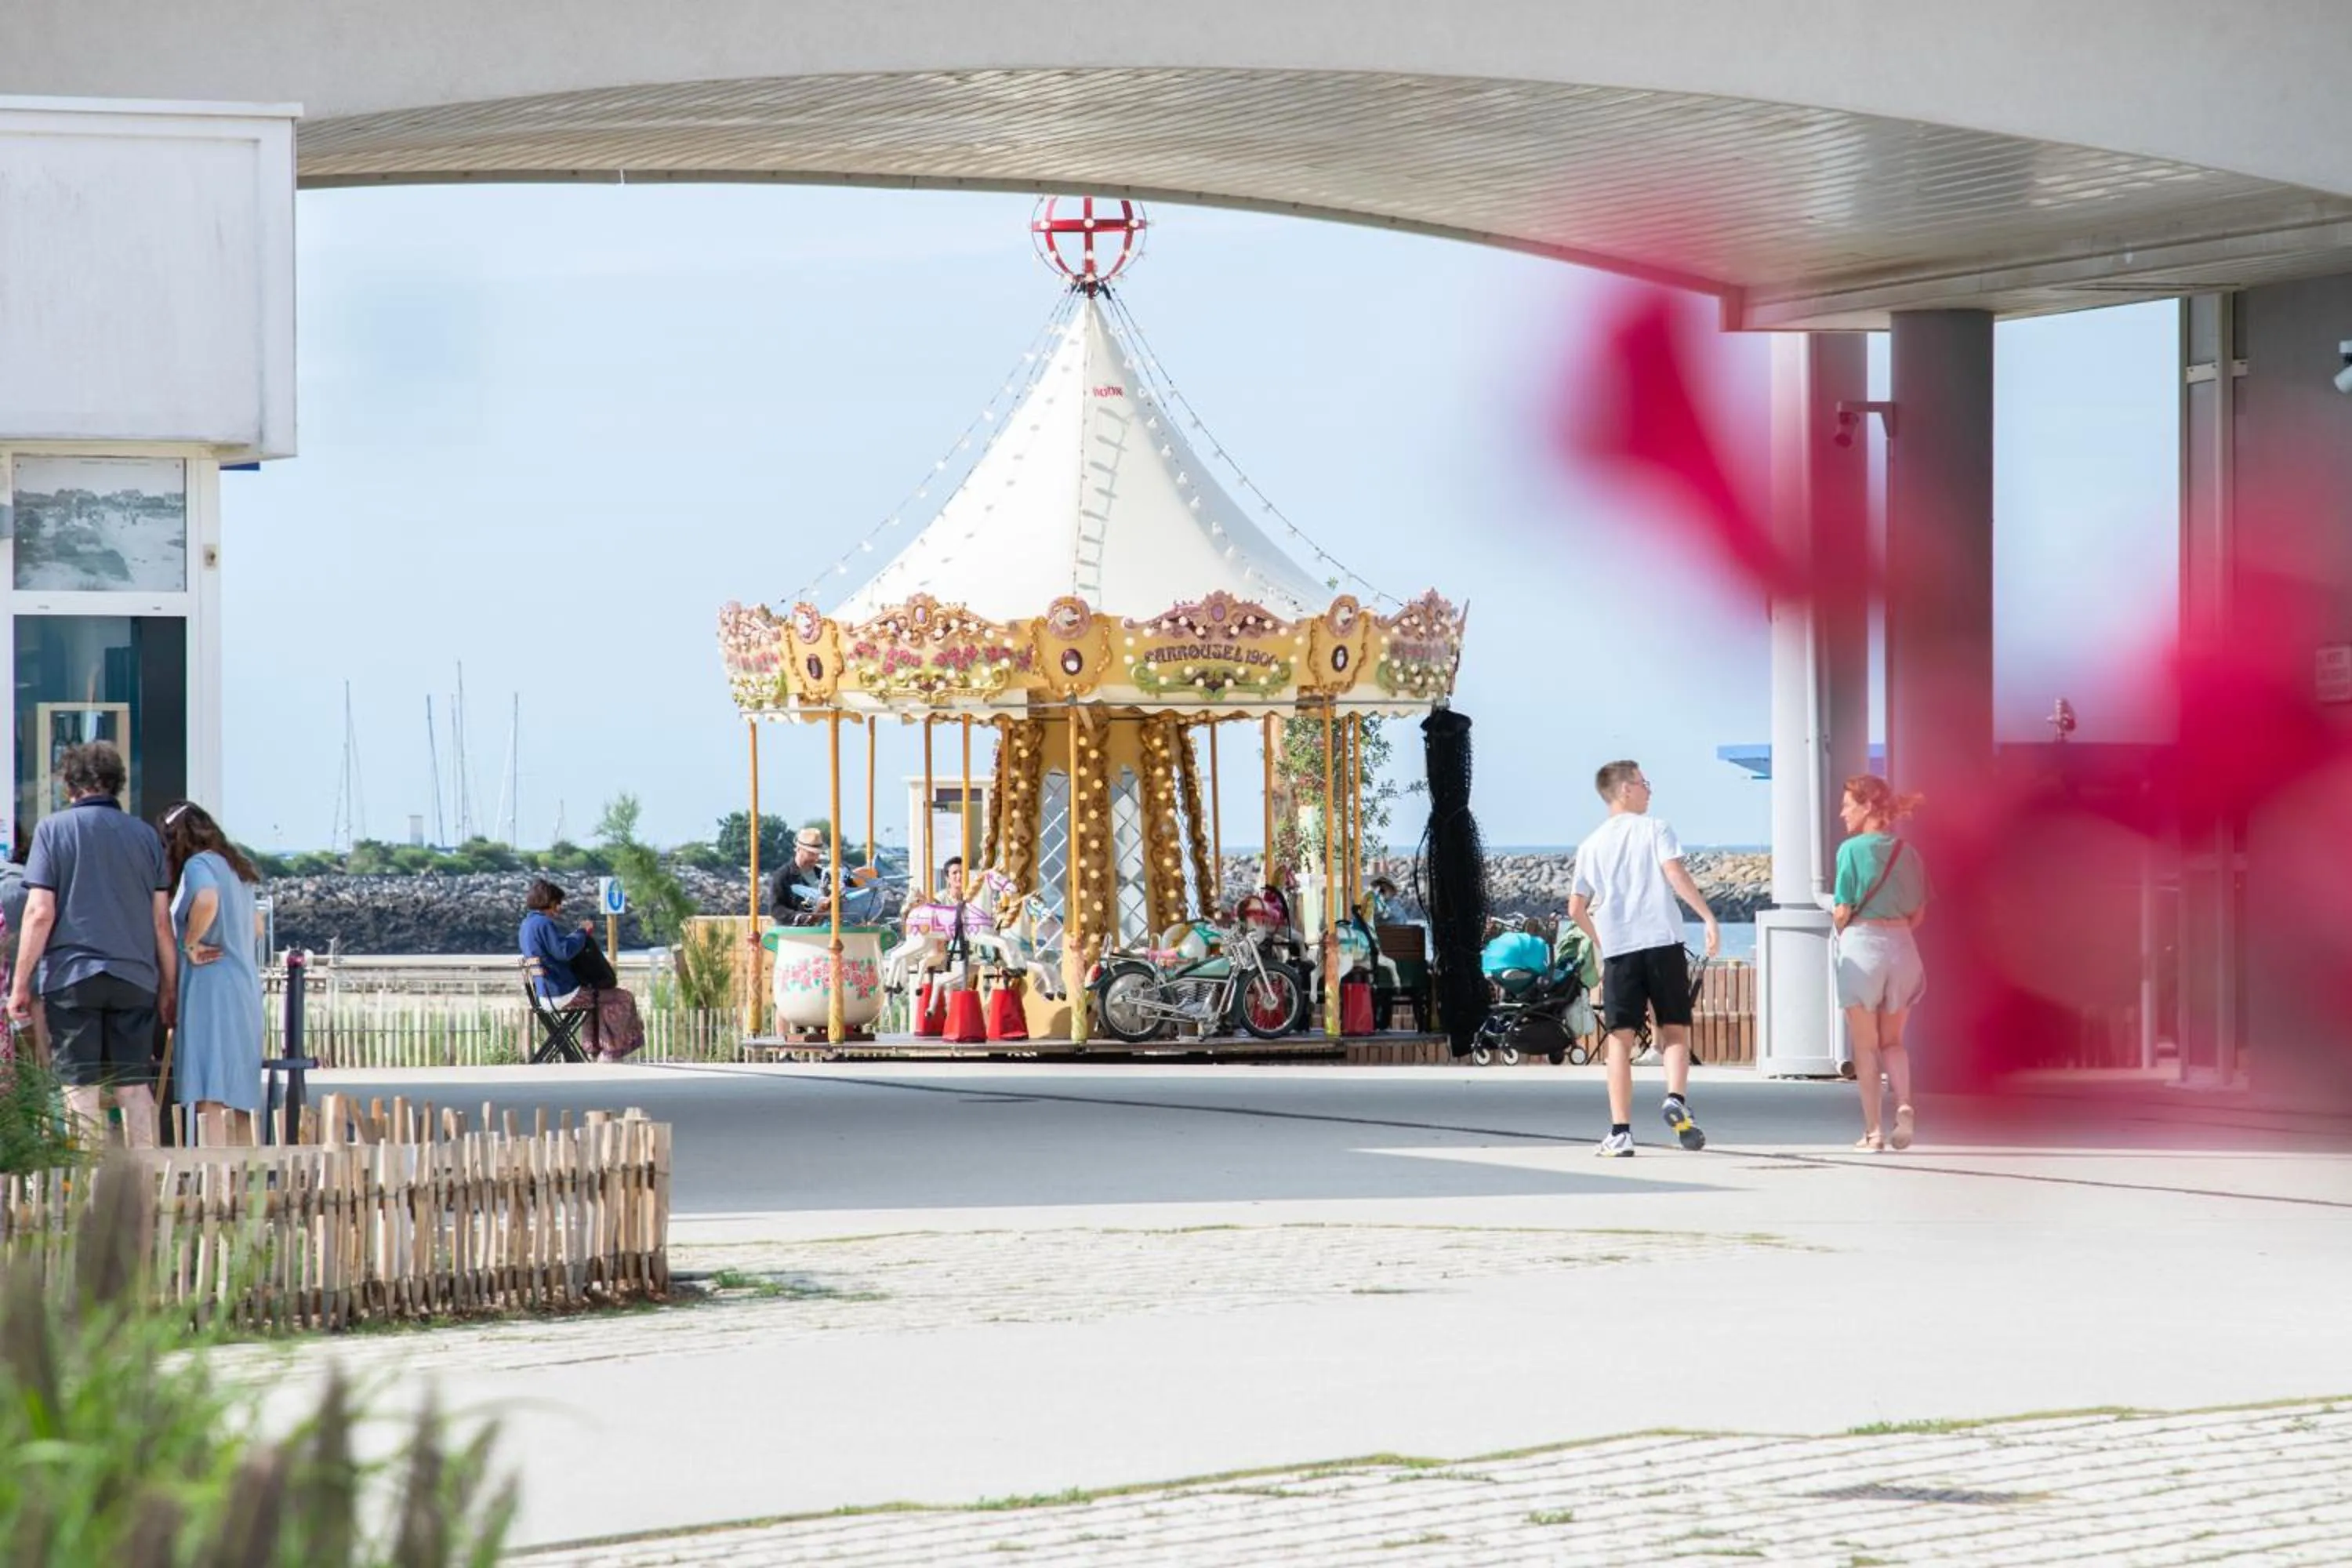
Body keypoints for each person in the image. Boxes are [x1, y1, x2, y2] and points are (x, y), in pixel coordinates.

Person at [5, 742, 175, 1147]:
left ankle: (89, 1176)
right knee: (133, 1086)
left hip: (73, 976)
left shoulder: (53, 830)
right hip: (135, 976)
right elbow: (161, 922)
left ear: (69, 786)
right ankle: (145, 1174)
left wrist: (20, 984)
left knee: (79, 1087)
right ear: (117, 785)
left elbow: (39, 913)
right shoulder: (146, 837)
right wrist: (169, 986)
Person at [1567, 760, 1719, 1157]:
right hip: (1663, 942)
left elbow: (1575, 908)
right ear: (1625, 789)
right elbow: (1675, 874)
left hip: (1619, 950)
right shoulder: (1656, 828)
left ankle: (1620, 1133)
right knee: (1675, 1029)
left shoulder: (1590, 845)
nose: (1649, 790)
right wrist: (1707, 917)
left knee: (1620, 1040)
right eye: (1643, 783)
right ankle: (1675, 1099)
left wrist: (1602, 939)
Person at [1832, 775, 1931, 1152]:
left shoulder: (1850, 850)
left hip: (1864, 946)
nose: (1842, 813)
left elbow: (1843, 910)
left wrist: (1839, 923)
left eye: (1847, 805)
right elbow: (1918, 914)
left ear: (1868, 806)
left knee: (1865, 1046)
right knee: (1893, 1042)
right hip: (1903, 947)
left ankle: (1873, 1133)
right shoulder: (1908, 852)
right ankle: (1904, 1103)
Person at [157, 801, 265, 1139]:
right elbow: (257, 926)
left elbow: (207, 899)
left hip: (211, 986)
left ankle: (213, 1165)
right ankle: (247, 1169)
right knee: (240, 1089)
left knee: (211, 1085)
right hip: (244, 985)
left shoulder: (199, 864)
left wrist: (191, 942)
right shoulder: (237, 869)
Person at [519, 878, 645, 1061]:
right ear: (548, 901)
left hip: (543, 995)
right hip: (562, 994)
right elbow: (563, 951)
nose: (559, 908)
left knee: (599, 1001)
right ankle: (610, 1051)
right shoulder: (544, 923)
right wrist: (581, 932)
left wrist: (576, 936)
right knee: (623, 997)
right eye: (557, 903)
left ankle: (596, 1048)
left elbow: (556, 949)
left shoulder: (527, 925)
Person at [768, 826, 829, 926]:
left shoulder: (823, 875)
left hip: (821, 931)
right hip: (792, 933)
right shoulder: (782, 876)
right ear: (798, 849)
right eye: (811, 853)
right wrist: (801, 918)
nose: (815, 858)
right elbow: (776, 909)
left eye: (817, 854)